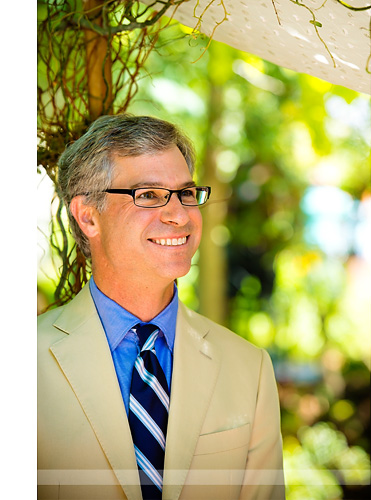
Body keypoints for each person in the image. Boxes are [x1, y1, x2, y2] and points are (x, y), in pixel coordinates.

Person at [38, 114, 285, 499]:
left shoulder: (249, 369)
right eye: (149, 195)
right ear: (88, 216)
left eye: (187, 193)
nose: (180, 214)